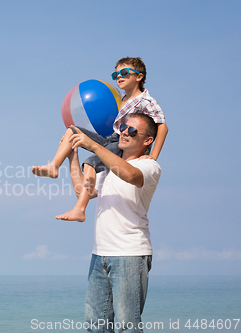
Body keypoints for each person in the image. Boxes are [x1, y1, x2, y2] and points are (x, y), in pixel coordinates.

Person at [32, 57, 168, 222]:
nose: (119, 76)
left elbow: (162, 126)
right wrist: (72, 153)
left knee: (91, 162)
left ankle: (80, 208)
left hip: (121, 143)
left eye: (124, 72)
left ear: (139, 77)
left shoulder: (146, 101)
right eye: (115, 74)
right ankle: (54, 165)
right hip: (111, 138)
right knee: (72, 130)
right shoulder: (122, 98)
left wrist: (153, 155)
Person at [66, 113, 160, 332]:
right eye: (124, 128)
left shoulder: (149, 167)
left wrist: (94, 146)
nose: (125, 132)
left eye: (133, 130)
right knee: (95, 326)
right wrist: (73, 155)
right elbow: (83, 191)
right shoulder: (108, 170)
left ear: (148, 141)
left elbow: (129, 175)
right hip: (100, 255)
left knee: (127, 326)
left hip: (130, 255)